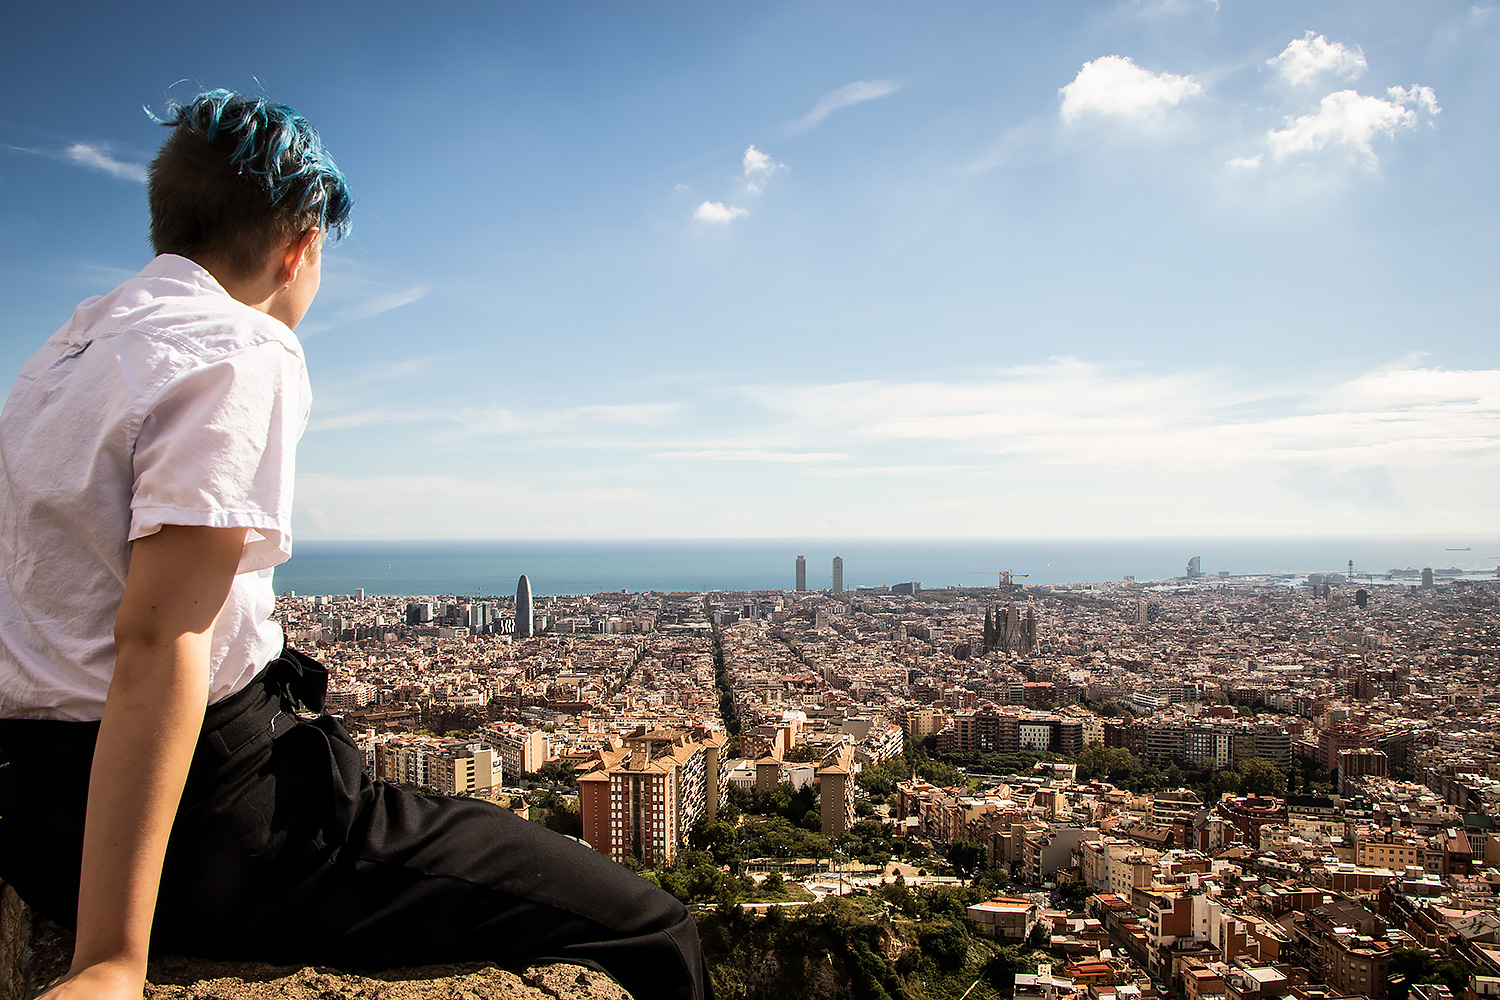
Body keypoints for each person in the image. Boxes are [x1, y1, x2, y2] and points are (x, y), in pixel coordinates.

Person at [0, 90, 709, 1000]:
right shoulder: (237, 345)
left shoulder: (65, 350)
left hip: (36, 816)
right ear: (300, 249)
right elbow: (158, 638)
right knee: (655, 928)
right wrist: (111, 957)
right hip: (214, 819)